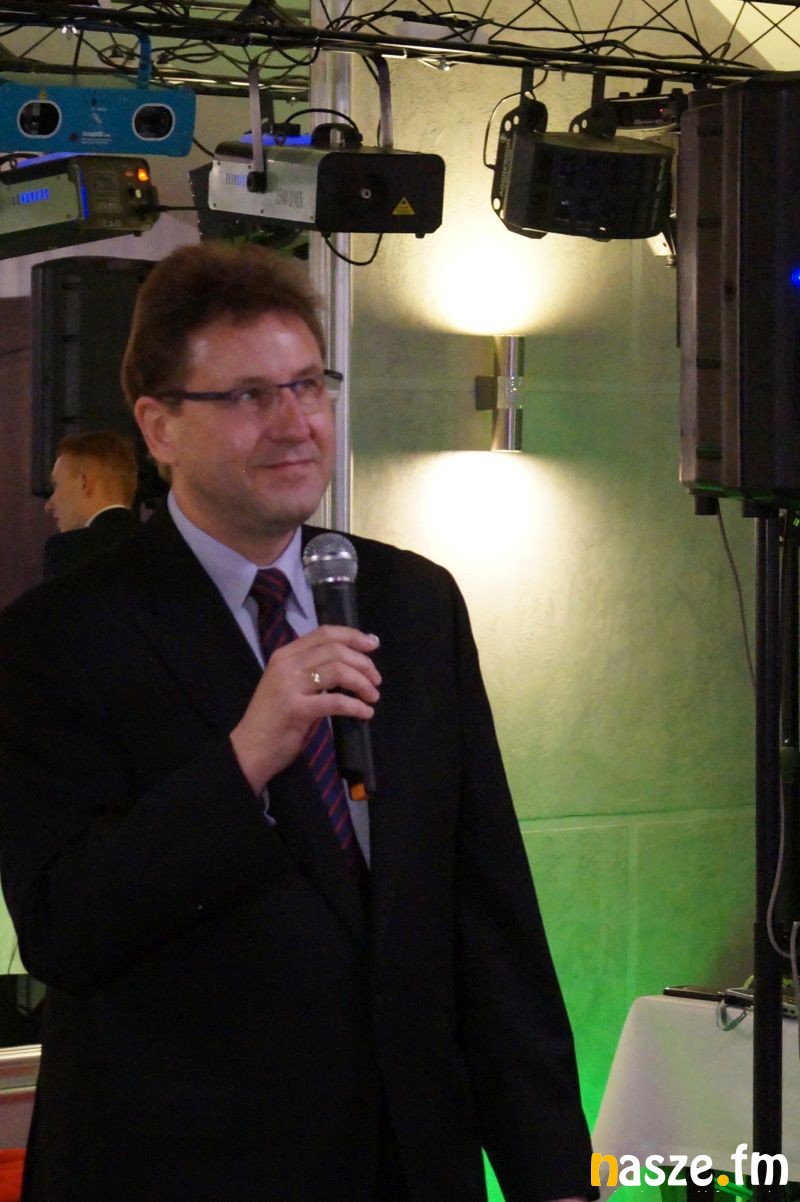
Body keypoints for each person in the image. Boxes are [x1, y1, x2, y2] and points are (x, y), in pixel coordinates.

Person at [0, 242, 596, 1202]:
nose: (294, 424)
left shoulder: (411, 601)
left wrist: (555, 1174)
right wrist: (244, 759)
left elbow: (487, 913)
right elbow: (64, 929)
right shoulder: (63, 635)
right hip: (187, 1171)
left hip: (409, 1165)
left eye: (308, 385)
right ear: (159, 426)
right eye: (247, 396)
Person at [43, 430, 140, 579]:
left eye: (56, 485)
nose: (48, 505)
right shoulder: (165, 544)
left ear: (84, 484)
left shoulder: (67, 550)